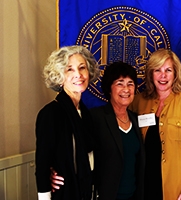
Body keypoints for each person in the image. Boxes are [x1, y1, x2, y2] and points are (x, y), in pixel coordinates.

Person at [50, 61, 145, 200]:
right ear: (109, 88)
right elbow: (72, 148)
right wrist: (51, 170)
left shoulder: (136, 120)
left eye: (130, 84)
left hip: (133, 196)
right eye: (120, 83)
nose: (126, 89)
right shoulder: (95, 117)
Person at [129, 49, 181, 200]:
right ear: (151, 74)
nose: (163, 76)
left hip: (175, 187)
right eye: (157, 70)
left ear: (176, 74)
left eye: (168, 70)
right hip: (142, 184)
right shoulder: (136, 102)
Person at [35, 45, 99, 200]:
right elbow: (43, 164)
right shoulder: (50, 113)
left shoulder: (86, 114)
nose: (78, 74)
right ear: (59, 76)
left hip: (86, 192)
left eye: (82, 67)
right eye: (69, 69)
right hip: (64, 194)